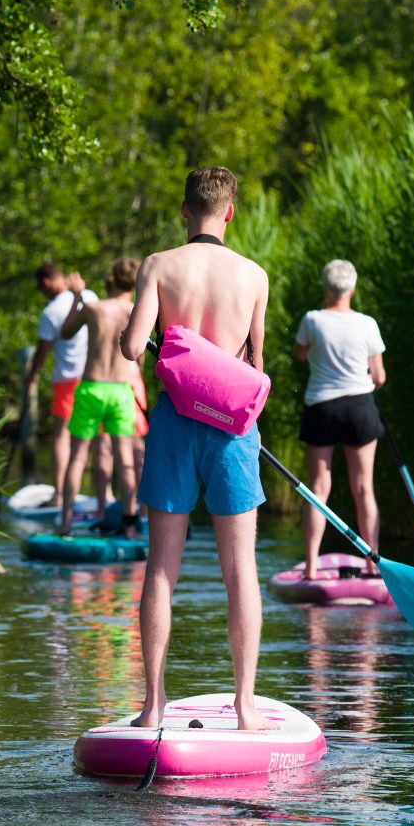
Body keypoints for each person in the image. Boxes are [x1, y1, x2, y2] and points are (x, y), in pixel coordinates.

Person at [120, 165, 269, 732]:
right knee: (241, 569)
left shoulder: (158, 265)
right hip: (231, 430)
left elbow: (133, 348)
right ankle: (245, 706)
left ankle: (153, 704)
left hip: (175, 423)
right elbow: (255, 362)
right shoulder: (254, 275)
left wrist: (136, 334)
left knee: (161, 567)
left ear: (185, 209)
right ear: (230, 212)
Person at [293, 259, 386, 580]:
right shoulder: (367, 323)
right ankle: (373, 564)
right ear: (352, 290)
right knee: (364, 488)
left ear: (325, 288)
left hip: (322, 408)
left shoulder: (312, 320)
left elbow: (299, 353)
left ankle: (311, 567)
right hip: (360, 408)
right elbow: (379, 376)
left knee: (318, 489)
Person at [57, 257, 143, 537]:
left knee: (78, 458)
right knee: (125, 460)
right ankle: (129, 526)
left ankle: (66, 525)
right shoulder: (136, 312)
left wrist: (77, 296)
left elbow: (65, 332)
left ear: (111, 279)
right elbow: (140, 354)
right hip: (121, 391)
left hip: (92, 388)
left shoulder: (92, 308)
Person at [26, 262, 99, 506]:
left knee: (62, 436)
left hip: (67, 380)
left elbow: (41, 351)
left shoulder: (50, 312)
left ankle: (59, 494)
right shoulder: (90, 296)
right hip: (95, 377)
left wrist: (32, 377)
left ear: (46, 283)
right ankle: (102, 496)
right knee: (97, 437)